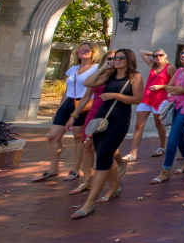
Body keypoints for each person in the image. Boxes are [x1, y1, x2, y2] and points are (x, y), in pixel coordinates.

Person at [71, 49, 143, 219]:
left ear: (128, 60)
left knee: (103, 156)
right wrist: (103, 68)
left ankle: (89, 203)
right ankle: (115, 186)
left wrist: (115, 95)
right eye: (114, 58)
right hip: (101, 119)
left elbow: (137, 99)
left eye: (120, 58)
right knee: (103, 154)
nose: (116, 60)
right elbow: (88, 83)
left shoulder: (135, 76)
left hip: (119, 120)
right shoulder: (109, 74)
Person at [33, 42, 100, 183]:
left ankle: (75, 169)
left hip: (85, 104)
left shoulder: (96, 68)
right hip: (68, 102)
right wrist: (59, 108)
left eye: (87, 50)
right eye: (80, 50)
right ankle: (53, 168)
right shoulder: (73, 69)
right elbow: (66, 90)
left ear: (93, 52)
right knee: (52, 136)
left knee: (78, 137)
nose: (83, 52)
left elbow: (93, 89)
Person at [150, 46, 184, 183]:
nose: (182, 55)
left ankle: (165, 170)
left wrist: (178, 90)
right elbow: (168, 87)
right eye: (181, 53)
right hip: (174, 104)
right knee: (178, 134)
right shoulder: (179, 70)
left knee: (173, 135)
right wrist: (177, 90)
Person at [66, 51, 114, 194]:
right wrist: (73, 116)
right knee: (87, 146)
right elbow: (86, 95)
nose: (113, 61)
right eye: (109, 59)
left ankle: (114, 178)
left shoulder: (119, 77)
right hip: (93, 113)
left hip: (108, 114)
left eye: (116, 58)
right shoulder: (99, 74)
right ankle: (87, 180)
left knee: (104, 149)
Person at [124, 49, 175, 161]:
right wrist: (154, 54)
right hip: (147, 97)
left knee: (158, 123)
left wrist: (160, 87)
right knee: (139, 125)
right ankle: (133, 153)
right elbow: (141, 52)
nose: (158, 58)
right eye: (156, 56)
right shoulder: (153, 64)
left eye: (160, 55)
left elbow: (175, 84)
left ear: (165, 55)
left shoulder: (170, 68)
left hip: (160, 98)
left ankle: (162, 146)